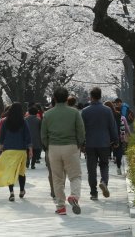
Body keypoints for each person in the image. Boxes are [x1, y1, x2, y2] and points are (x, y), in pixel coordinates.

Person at [41, 87, 85, 216]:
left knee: (57, 178)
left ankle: (61, 206)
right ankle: (74, 196)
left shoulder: (47, 114)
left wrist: (48, 145)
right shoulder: (74, 112)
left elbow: (43, 134)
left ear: (54, 99)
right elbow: (81, 131)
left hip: (53, 148)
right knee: (75, 175)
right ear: (67, 98)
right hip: (71, 146)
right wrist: (79, 144)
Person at [0, 102, 33, 201]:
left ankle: (12, 192)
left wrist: (1, 146)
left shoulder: (5, 121)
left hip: (8, 150)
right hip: (21, 151)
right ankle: (22, 190)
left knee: (10, 172)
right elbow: (28, 136)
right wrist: (30, 149)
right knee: (21, 172)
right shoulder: (23, 121)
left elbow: (2, 136)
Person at [81, 88, 118, 201]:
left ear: (91, 97)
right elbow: (112, 126)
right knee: (104, 164)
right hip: (104, 142)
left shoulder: (85, 111)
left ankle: (93, 193)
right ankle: (104, 182)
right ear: (100, 96)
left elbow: (82, 129)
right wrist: (115, 140)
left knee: (91, 168)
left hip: (90, 143)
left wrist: (82, 143)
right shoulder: (107, 110)